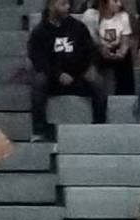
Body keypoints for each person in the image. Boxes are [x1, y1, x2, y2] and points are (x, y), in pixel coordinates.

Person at [28, 0, 108, 142]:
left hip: (77, 75)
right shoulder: (39, 32)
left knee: (98, 81)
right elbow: (38, 59)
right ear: (51, 5)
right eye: (63, 4)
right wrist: (58, 74)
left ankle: (100, 125)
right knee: (39, 81)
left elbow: (89, 51)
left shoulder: (78, 27)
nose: (68, 7)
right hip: (53, 79)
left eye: (68, 4)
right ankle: (39, 131)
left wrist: (84, 69)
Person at [83, 0, 135, 95]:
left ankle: (125, 94)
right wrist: (102, 49)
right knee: (90, 56)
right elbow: (90, 40)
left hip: (116, 48)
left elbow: (125, 41)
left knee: (127, 56)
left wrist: (122, 52)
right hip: (97, 49)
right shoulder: (90, 15)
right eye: (115, 1)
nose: (119, 4)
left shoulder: (123, 16)